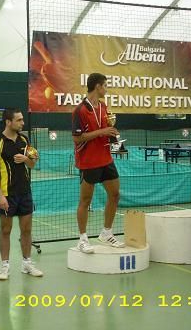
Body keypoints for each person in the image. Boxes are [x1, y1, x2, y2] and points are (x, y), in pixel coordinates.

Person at [72, 72, 125, 253]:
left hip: (106, 159)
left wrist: (112, 134)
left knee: (115, 194)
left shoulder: (103, 106)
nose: (107, 89)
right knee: (85, 200)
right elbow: (77, 138)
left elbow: (104, 129)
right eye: (105, 86)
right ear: (97, 86)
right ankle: (82, 239)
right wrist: (102, 132)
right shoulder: (80, 110)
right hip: (88, 161)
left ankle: (106, 233)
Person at [0, 108, 43, 280]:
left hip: (25, 192)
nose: (22, 123)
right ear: (8, 122)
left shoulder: (24, 139)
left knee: (26, 229)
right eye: (19, 120)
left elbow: (33, 163)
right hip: (7, 194)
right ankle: (5, 266)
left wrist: (26, 159)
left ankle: (27, 264)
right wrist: (0, 195)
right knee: (6, 230)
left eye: (22, 119)